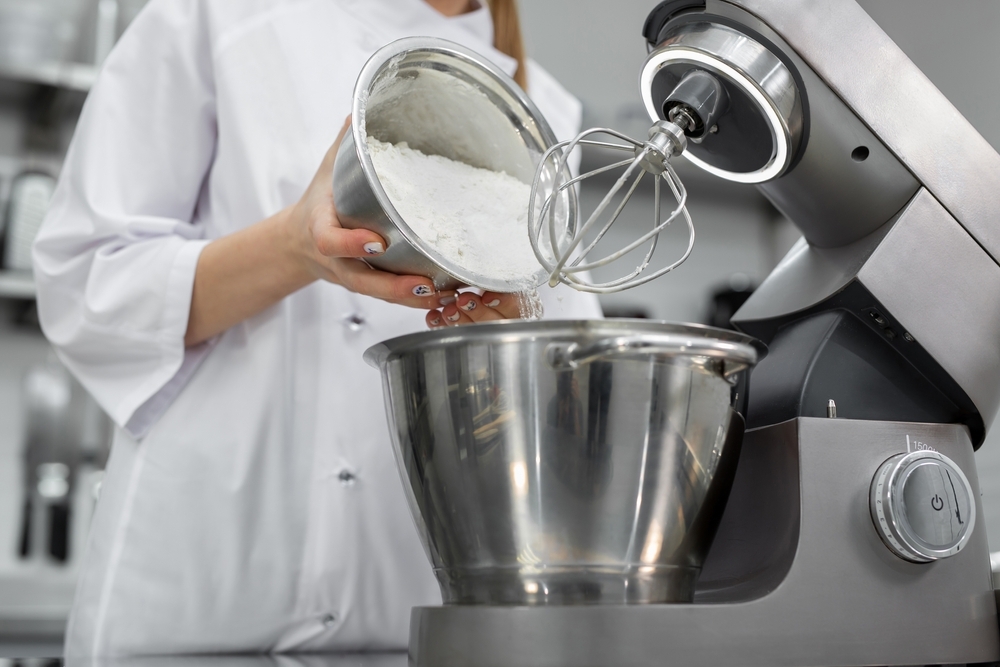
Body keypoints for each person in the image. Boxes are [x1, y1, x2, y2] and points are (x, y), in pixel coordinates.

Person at [32, 0, 602, 658]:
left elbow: (559, 416)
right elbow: (86, 284)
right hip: (192, 614)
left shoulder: (543, 115)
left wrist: (504, 340)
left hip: (415, 628)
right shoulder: (222, 16)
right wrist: (291, 248)